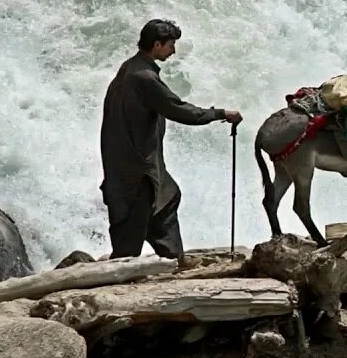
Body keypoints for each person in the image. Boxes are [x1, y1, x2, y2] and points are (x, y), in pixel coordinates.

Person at [100, 19, 243, 259]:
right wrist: (221, 114)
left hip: (130, 165)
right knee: (127, 248)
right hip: (137, 172)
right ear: (157, 45)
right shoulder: (144, 78)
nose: (173, 50)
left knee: (167, 200)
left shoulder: (129, 68)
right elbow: (179, 110)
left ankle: (175, 261)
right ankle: (133, 276)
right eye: (171, 45)